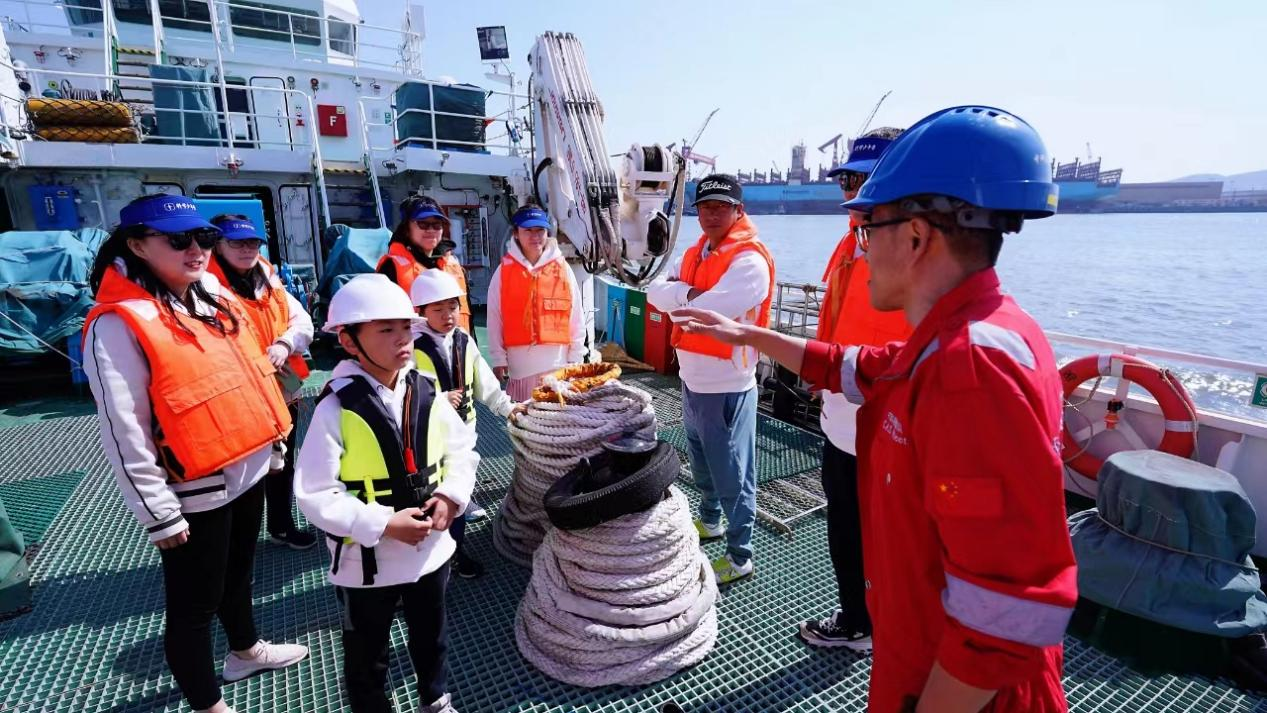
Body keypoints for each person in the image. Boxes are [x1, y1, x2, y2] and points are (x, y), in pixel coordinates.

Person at [673, 106, 1077, 712]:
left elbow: (1009, 612)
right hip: (915, 660)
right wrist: (747, 335)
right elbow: (851, 365)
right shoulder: (953, 339)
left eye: (868, 227)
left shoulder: (971, 370)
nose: (858, 245)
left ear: (916, 237)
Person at [82, 194, 308, 713]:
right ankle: (208, 705)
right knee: (193, 606)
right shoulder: (117, 324)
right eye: (178, 239)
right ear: (137, 245)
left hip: (248, 465)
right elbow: (124, 429)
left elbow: (251, 374)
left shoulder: (211, 296)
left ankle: (245, 651)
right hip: (195, 489)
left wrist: (273, 445)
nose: (197, 250)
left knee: (239, 574)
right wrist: (158, 513)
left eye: (203, 238)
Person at [294, 273, 477, 713]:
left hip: (432, 550)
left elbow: (461, 451)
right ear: (348, 339)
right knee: (366, 653)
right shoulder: (335, 408)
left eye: (405, 328)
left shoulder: (425, 391)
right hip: (366, 564)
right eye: (385, 330)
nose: (402, 340)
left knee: (431, 637)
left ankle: (435, 699)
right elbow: (314, 493)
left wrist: (451, 497)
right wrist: (382, 524)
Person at [800, 128, 909, 651]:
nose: (849, 191)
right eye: (846, 179)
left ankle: (877, 625)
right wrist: (820, 377)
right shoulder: (853, 240)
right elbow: (837, 315)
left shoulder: (914, 251)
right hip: (842, 409)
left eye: (859, 179)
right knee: (845, 524)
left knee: (886, 535)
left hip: (886, 422)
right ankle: (858, 618)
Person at [646, 173, 774, 586]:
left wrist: (681, 297)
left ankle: (740, 557)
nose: (711, 214)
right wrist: (688, 296)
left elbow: (707, 310)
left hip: (728, 388)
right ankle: (711, 522)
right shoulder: (696, 251)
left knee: (734, 475)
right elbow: (652, 292)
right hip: (691, 380)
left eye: (721, 207)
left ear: (739, 211)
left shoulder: (750, 261)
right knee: (702, 464)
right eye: (704, 207)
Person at [207, 214, 317, 550]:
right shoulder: (202, 285)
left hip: (279, 387)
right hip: (235, 393)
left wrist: (285, 343)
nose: (246, 249)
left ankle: (281, 525)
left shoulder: (267, 276)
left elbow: (300, 318)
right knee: (241, 469)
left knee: (282, 461)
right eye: (236, 242)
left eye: (252, 242)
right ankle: (236, 545)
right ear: (217, 245)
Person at [409, 269, 516, 579]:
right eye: (438, 309)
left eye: (452, 307)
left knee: (455, 497)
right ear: (422, 311)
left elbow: (484, 382)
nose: (447, 315)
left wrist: (507, 407)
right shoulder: (410, 348)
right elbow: (400, 393)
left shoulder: (464, 341)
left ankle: (454, 553)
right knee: (429, 498)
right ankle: (426, 562)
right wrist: (436, 401)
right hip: (426, 440)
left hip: (463, 435)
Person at [486, 204, 586, 401]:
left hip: (560, 368)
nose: (535, 236)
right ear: (516, 233)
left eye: (540, 230)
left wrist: (576, 359)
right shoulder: (503, 272)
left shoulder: (563, 269)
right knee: (528, 428)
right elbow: (495, 317)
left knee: (559, 426)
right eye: (528, 230)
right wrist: (498, 358)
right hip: (521, 371)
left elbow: (576, 317)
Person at [378, 195, 472, 335]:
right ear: (406, 228)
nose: (431, 230)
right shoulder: (391, 268)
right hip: (414, 353)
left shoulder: (454, 266)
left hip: (457, 351)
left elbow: (467, 317)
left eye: (437, 224)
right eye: (423, 224)